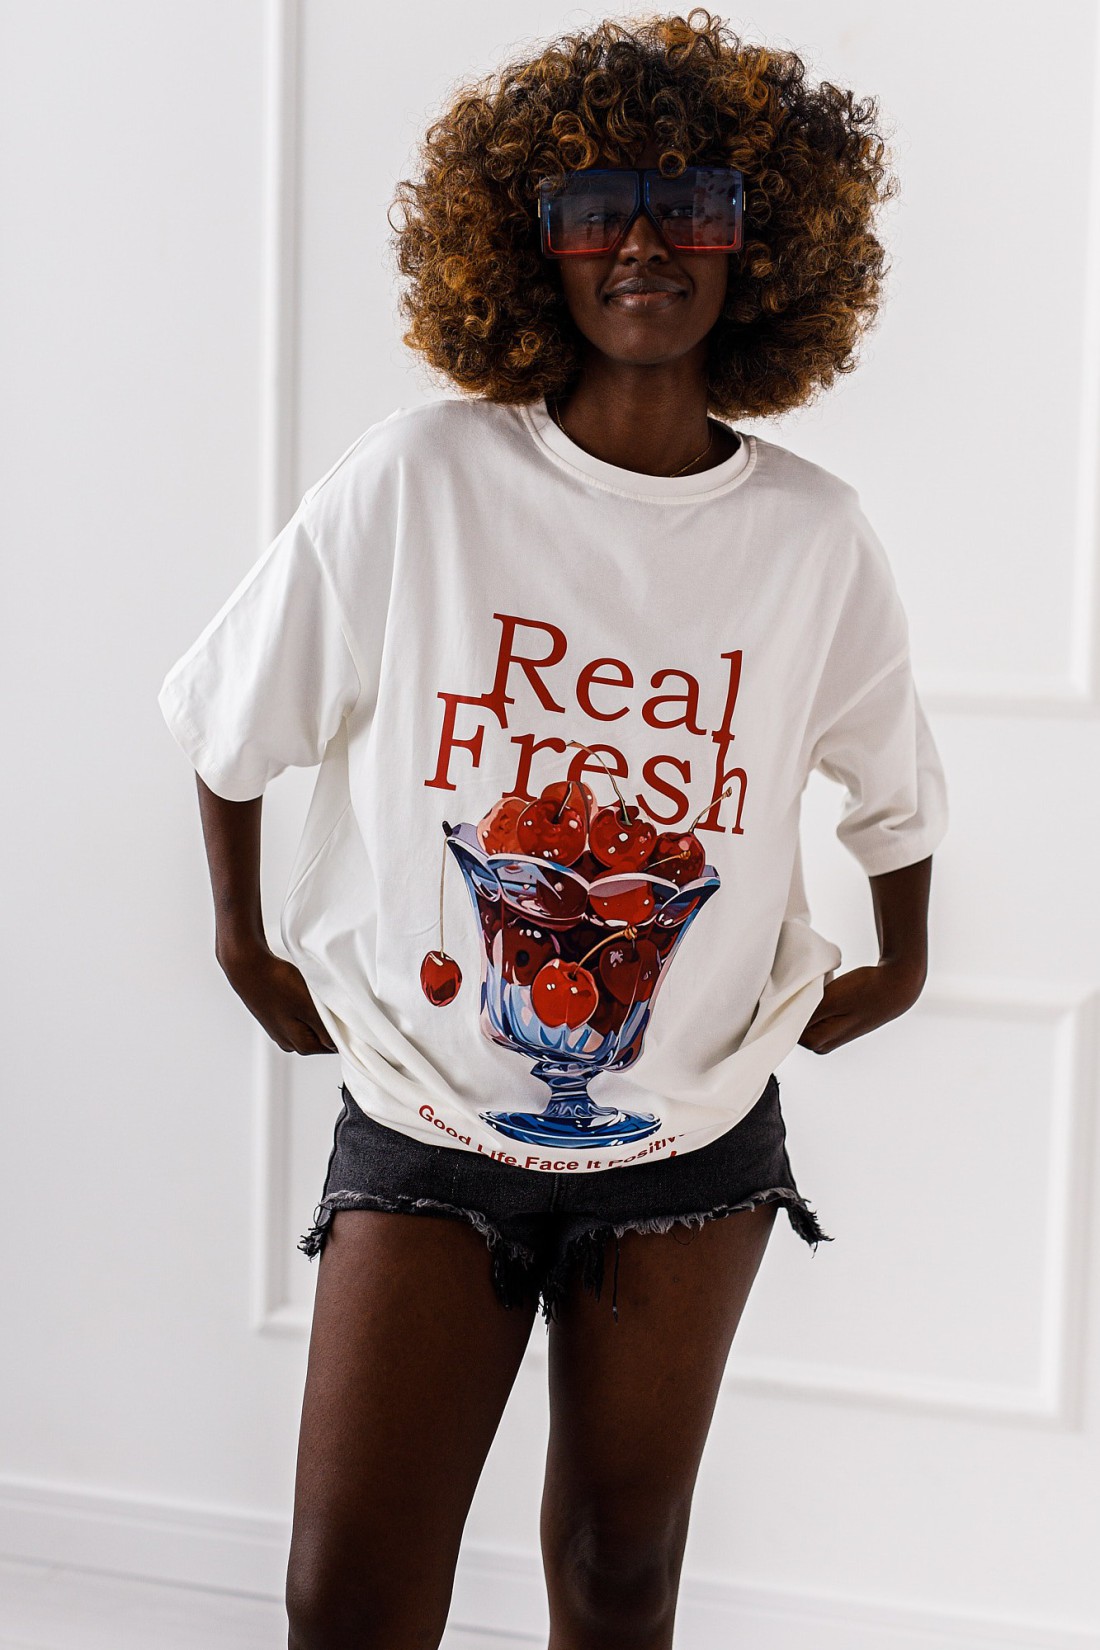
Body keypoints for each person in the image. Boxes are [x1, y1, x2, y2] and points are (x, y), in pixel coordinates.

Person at [157, 12, 948, 1648]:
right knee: (348, 1590)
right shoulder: (420, 479)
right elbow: (232, 719)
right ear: (532, 243)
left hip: (693, 1142)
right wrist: (240, 937)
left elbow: (892, 779)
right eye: (598, 208)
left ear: (761, 242)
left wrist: (907, 960)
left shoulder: (813, 538)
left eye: (694, 204)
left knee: (618, 1564)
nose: (644, 243)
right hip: (424, 1116)